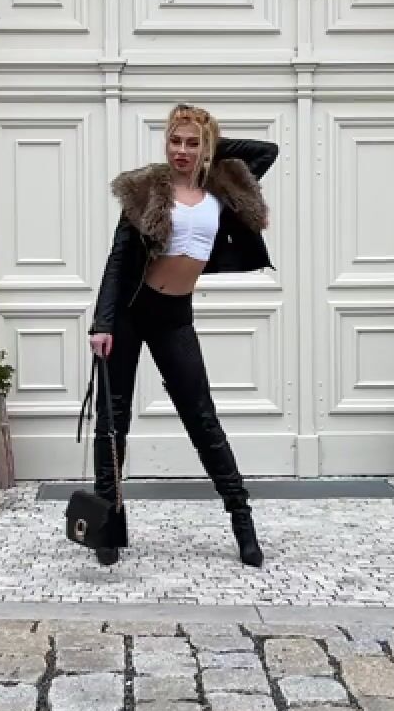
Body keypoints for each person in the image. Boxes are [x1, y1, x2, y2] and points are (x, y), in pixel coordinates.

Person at [87, 104, 279, 568]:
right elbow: (118, 259)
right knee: (113, 421)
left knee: (202, 419)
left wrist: (211, 143)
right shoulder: (146, 190)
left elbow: (266, 151)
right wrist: (103, 324)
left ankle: (243, 523)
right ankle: (108, 525)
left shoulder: (223, 186)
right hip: (131, 311)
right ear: (165, 143)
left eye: (193, 143)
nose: (182, 151)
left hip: (174, 316)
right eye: (175, 141)